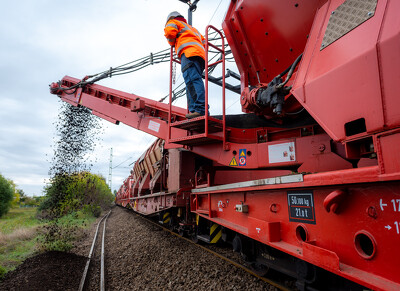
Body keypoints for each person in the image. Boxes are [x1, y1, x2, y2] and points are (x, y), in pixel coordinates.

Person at [164, 11, 207, 119]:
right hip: (200, 56)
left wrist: (172, 42)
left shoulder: (174, 22)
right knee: (192, 82)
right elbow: (205, 43)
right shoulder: (193, 29)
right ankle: (195, 110)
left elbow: (169, 34)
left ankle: (200, 109)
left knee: (192, 80)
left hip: (188, 54)